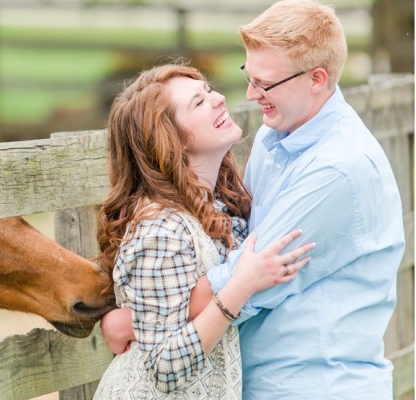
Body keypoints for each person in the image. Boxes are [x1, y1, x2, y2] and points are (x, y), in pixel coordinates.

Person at [102, 1, 406, 399]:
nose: (248, 94)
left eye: (265, 83)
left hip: (313, 384)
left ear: (316, 79)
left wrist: (135, 320)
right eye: (249, 76)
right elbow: (236, 255)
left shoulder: (337, 169)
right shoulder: (273, 137)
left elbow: (254, 276)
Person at [93, 63, 315, 399]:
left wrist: (128, 320)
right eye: (198, 102)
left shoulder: (218, 206)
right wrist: (240, 286)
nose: (219, 99)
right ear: (172, 140)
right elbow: (165, 368)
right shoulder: (160, 228)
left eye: (208, 90)